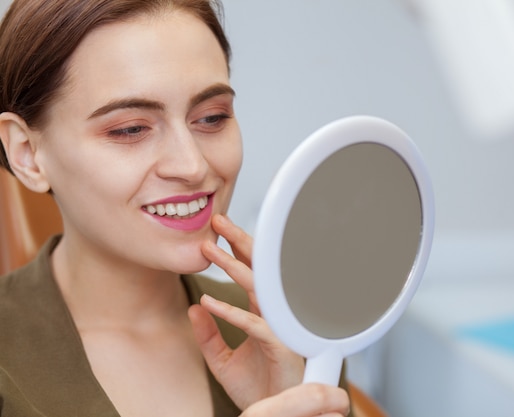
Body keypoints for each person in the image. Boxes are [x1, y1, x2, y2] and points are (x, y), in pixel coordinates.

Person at [0, 0, 352, 416]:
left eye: (211, 118)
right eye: (131, 129)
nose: (192, 166)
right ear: (26, 153)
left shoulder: (288, 333)